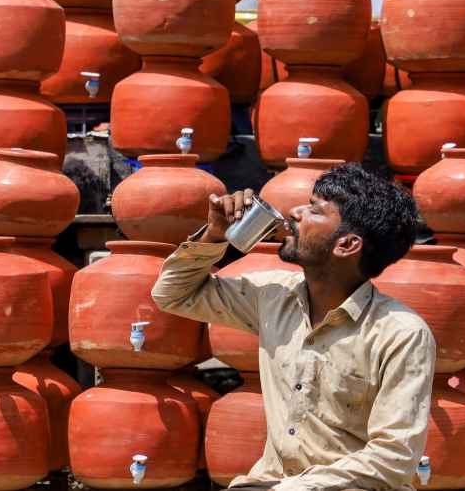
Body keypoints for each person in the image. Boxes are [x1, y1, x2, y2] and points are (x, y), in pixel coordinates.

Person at [151, 163, 436, 491]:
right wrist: (215, 235)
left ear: (347, 245)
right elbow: (173, 294)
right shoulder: (274, 296)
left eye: (314, 210)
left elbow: (393, 458)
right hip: (270, 483)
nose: (295, 213)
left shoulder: (400, 334)